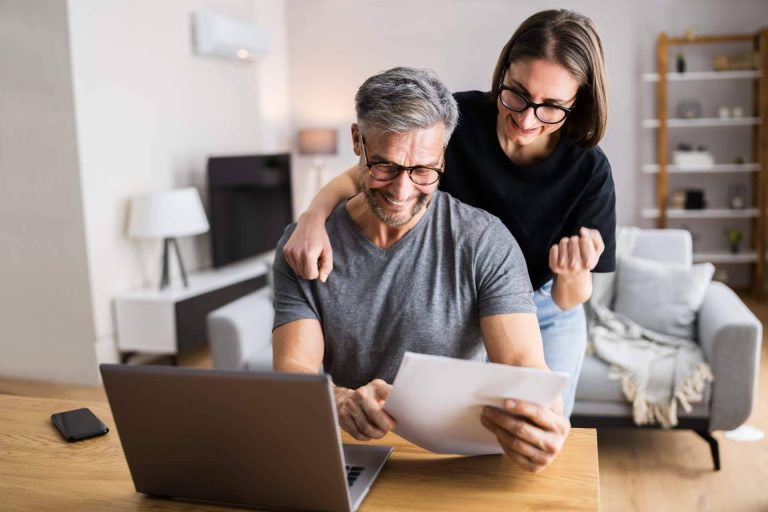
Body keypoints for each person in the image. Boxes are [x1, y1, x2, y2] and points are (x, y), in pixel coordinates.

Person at [281, 9, 616, 416]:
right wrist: (313, 218)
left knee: (542, 421)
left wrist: (573, 271)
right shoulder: (457, 120)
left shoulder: (589, 170)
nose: (527, 119)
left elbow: (570, 299)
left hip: (544, 303)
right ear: (503, 72)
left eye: (551, 106)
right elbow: (372, 171)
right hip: (466, 294)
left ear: (577, 100)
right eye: (517, 93)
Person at [272, 67, 570, 473]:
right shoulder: (305, 246)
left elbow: (524, 365)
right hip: (350, 458)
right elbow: (294, 373)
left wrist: (545, 418)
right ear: (358, 141)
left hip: (453, 465)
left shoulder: (484, 241)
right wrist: (339, 399)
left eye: (423, 171)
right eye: (385, 167)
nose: (402, 191)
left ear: (443, 157)